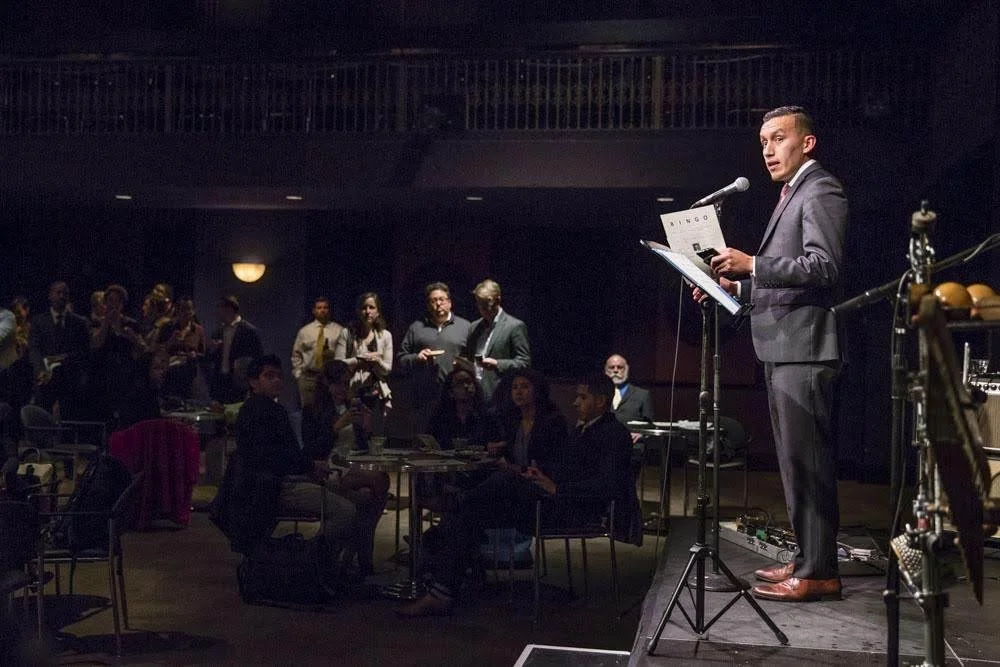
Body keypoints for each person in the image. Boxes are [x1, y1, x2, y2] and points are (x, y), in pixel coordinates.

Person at [696, 105, 847, 602]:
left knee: (809, 463)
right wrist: (730, 289)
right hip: (784, 347)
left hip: (804, 347)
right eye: (762, 140)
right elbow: (780, 281)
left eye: (778, 138)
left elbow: (823, 266)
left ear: (807, 142)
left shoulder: (820, 188)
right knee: (791, 462)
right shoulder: (789, 195)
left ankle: (820, 571)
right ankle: (808, 558)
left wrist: (752, 263)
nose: (767, 149)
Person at [398, 372, 634, 617]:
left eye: (582, 398)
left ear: (601, 402)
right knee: (471, 512)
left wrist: (555, 487)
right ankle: (442, 589)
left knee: (493, 488)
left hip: (573, 509)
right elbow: (563, 467)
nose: (575, 403)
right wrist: (540, 475)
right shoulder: (582, 429)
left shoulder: (613, 434)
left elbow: (609, 485)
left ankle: (442, 582)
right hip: (551, 500)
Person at [232, 355, 357, 583]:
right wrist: (310, 465)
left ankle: (338, 564)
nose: (277, 381)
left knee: (360, 497)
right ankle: (312, 562)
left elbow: (286, 455)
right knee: (346, 511)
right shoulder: (264, 411)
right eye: (269, 376)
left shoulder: (263, 409)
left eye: (279, 376)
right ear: (254, 382)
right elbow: (275, 458)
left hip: (281, 479)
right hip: (278, 486)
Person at [301, 359, 390, 576]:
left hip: (352, 463)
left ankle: (352, 555)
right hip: (328, 465)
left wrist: (366, 428)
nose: (343, 389)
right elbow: (312, 449)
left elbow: (362, 445)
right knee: (380, 481)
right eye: (338, 384)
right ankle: (361, 557)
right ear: (327, 384)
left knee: (369, 495)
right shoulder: (312, 409)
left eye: (346, 384)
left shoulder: (353, 406)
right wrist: (338, 425)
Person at [398, 282, 471, 430]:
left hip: (456, 398)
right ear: (428, 305)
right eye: (433, 300)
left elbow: (474, 359)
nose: (438, 304)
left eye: (442, 299)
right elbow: (401, 359)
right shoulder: (416, 328)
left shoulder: (465, 327)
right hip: (424, 397)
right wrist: (416, 357)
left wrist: (463, 365)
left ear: (449, 302)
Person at [29, 281, 91, 418]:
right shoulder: (39, 321)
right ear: (50, 295)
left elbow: (84, 351)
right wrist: (40, 369)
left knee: (69, 418)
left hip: (70, 380)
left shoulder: (78, 323)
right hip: (45, 378)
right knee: (44, 417)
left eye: (65, 293)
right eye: (58, 292)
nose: (62, 296)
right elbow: (34, 348)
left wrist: (64, 360)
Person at [333, 292, 393, 435]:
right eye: (364, 308)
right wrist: (359, 360)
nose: (367, 312)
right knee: (352, 433)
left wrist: (377, 360)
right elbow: (337, 364)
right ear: (358, 311)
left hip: (375, 393)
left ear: (378, 311)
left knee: (374, 435)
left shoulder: (385, 336)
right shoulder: (347, 334)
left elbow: (387, 369)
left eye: (371, 307)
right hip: (352, 392)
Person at [462, 279, 531, 403]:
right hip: (473, 396)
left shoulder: (514, 326)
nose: (482, 308)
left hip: (500, 396)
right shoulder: (474, 327)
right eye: (479, 303)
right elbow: (470, 359)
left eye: (486, 304)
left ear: (498, 300)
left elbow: (524, 362)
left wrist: (498, 364)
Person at [290, 296, 344, 410]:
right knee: (308, 413)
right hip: (309, 377)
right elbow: (296, 355)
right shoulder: (305, 331)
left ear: (329, 310)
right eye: (319, 308)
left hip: (331, 379)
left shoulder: (339, 330)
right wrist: (298, 374)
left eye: (325, 307)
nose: (322, 310)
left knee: (330, 411)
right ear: (314, 311)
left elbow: (345, 354)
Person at [207, 296, 263, 404]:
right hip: (220, 380)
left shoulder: (248, 331)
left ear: (229, 309)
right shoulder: (218, 331)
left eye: (220, 308)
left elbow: (258, 357)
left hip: (239, 381)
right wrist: (212, 350)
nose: (218, 312)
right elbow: (210, 358)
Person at [426, 367, 490, 450]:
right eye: (460, 383)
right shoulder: (441, 416)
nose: (466, 386)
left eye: (469, 382)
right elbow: (429, 441)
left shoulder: (485, 415)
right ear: (450, 392)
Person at [159, 297, 206, 399]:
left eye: (188, 309)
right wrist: (171, 341)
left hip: (189, 373)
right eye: (182, 309)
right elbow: (159, 350)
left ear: (193, 311)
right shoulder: (168, 327)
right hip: (169, 373)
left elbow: (203, 353)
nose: (185, 312)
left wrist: (195, 355)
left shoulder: (198, 330)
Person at [605, 354, 654, 444]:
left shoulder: (642, 395)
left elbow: (650, 425)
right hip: (605, 446)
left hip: (633, 447)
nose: (615, 370)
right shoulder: (599, 395)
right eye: (611, 367)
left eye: (620, 367)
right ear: (605, 371)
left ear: (627, 370)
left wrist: (641, 434)